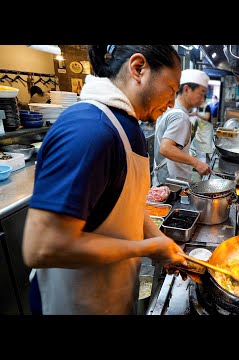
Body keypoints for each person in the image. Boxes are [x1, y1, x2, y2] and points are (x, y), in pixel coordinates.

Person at [22, 45, 187, 315]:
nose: (171, 103)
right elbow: (42, 247)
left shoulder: (128, 126)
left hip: (109, 293)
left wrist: (161, 243)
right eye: (170, 89)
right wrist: (146, 247)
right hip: (72, 303)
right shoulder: (89, 130)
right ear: (138, 68)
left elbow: (128, 205)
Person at [152, 69, 213, 186]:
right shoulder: (180, 116)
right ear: (186, 89)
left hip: (163, 177)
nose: (202, 99)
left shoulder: (169, 108)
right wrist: (197, 163)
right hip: (172, 182)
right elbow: (166, 148)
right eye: (201, 93)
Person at [190, 95, 214, 163]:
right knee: (198, 148)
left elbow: (207, 117)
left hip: (206, 131)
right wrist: (187, 114)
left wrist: (197, 114)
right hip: (200, 130)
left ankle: (203, 165)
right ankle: (199, 164)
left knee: (203, 149)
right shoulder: (198, 107)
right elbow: (194, 114)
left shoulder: (207, 107)